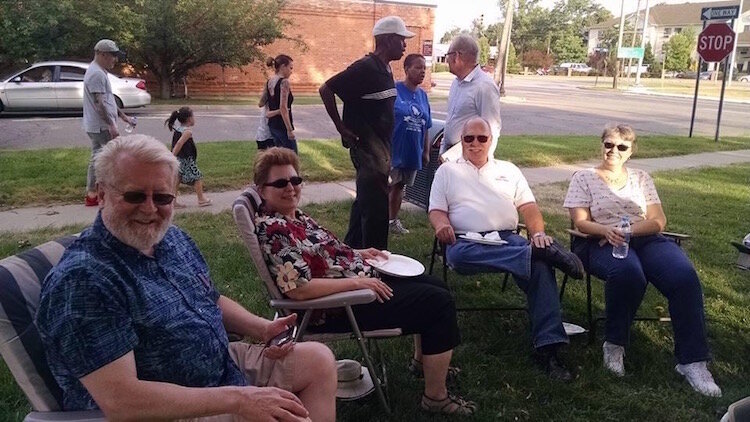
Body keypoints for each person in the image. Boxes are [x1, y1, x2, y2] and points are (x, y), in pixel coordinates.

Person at [36, 135, 337, 421]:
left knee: (318, 361)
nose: (150, 208)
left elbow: (210, 300)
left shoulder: (171, 239)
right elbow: (123, 401)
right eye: (135, 195)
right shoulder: (83, 281)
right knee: (285, 416)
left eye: (163, 197)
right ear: (102, 194)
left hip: (221, 368)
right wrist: (241, 399)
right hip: (168, 409)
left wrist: (263, 328)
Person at [254, 147, 477, 416]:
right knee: (438, 303)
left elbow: (323, 252)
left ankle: (422, 362)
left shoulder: (293, 216)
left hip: (360, 284)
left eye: (295, 180)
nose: (290, 188)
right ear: (261, 190)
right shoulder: (275, 232)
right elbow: (300, 290)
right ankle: (435, 398)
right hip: (337, 307)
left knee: (434, 286)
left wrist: (358, 254)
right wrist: (359, 284)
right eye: (280, 183)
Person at [563, 124, 722, 397]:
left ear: (631, 150)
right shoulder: (583, 177)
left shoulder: (641, 178)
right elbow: (580, 221)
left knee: (684, 277)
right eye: (609, 144)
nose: (613, 150)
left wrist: (628, 231)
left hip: (644, 238)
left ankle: (692, 362)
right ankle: (614, 346)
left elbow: (658, 221)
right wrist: (607, 231)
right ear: (601, 145)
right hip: (598, 241)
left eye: (622, 147)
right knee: (628, 273)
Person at [429, 117, 584, 381]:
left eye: (481, 138)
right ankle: (534, 254)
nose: (475, 144)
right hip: (467, 240)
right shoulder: (447, 171)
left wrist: (538, 235)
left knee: (540, 268)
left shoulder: (509, 169)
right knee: (459, 255)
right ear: (461, 141)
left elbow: (529, 208)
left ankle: (547, 349)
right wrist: (442, 226)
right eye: (469, 138)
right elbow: (436, 211)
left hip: (506, 237)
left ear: (491, 141)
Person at [319, 15, 414, 250]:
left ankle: (350, 251)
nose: (405, 45)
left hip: (382, 150)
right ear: (388, 40)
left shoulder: (385, 69)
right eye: (402, 40)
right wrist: (341, 127)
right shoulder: (365, 67)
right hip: (369, 153)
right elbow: (326, 89)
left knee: (364, 205)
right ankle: (377, 266)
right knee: (376, 215)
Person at [82, 39, 134, 207]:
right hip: (101, 126)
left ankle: (92, 194)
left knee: (97, 158)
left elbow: (108, 100)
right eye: (113, 56)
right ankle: (114, 193)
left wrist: (122, 116)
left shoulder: (99, 71)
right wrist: (111, 125)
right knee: (114, 157)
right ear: (102, 54)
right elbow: (100, 103)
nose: (115, 60)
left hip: (97, 125)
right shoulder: (96, 73)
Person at [388, 53, 432, 235]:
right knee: (387, 186)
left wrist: (426, 151)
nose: (422, 71)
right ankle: (378, 220)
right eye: (418, 67)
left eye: (424, 68)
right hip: (394, 149)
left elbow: (426, 125)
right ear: (406, 70)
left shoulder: (423, 96)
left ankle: (392, 221)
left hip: (413, 151)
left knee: (400, 187)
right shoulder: (394, 90)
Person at [441, 34, 501, 159]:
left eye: (448, 55)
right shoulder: (456, 83)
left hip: (470, 159)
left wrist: (481, 164)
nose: (447, 60)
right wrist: (443, 152)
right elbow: (451, 121)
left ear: (456, 56)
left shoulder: (484, 86)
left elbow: (492, 129)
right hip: (450, 157)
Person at [165, 107, 211, 208]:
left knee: (177, 179)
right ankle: (201, 199)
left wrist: (173, 155)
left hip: (179, 159)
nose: (194, 118)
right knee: (197, 177)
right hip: (186, 159)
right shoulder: (187, 132)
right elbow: (179, 143)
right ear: (189, 119)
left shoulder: (177, 129)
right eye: (193, 116)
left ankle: (173, 200)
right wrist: (172, 156)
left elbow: (175, 143)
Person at [266, 54, 297, 153]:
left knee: (280, 157)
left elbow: (263, 103)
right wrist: (289, 129)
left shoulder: (269, 82)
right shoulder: (284, 82)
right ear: (283, 67)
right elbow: (283, 107)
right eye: (290, 68)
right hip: (282, 126)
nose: (291, 71)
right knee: (292, 157)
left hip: (272, 125)